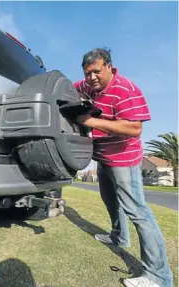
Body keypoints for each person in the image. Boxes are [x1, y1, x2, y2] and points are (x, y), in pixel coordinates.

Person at [73, 48, 173, 287]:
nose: (92, 78)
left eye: (96, 71)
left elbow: (134, 128)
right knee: (109, 200)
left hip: (124, 159)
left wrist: (91, 121)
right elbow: (67, 87)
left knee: (137, 210)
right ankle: (119, 237)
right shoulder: (87, 86)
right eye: (88, 73)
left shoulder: (125, 89)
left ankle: (159, 276)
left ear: (109, 66)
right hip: (103, 156)